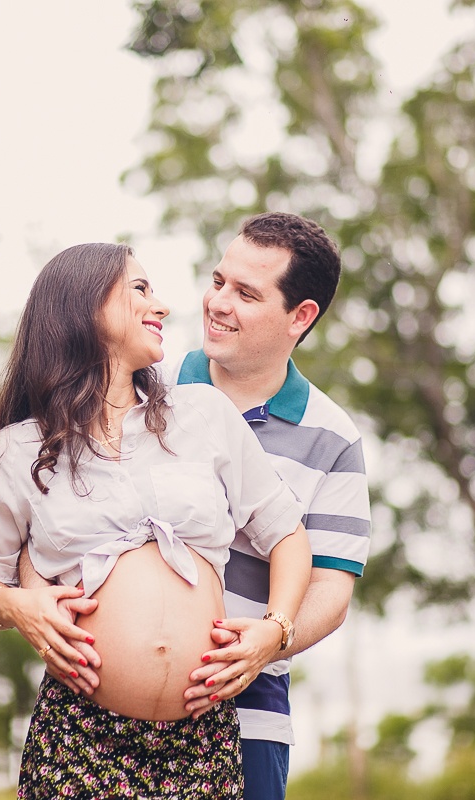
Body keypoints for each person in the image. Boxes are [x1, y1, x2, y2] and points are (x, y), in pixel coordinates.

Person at [0, 242, 314, 800]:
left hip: (201, 739)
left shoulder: (204, 414)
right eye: (141, 289)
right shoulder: (17, 450)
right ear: (84, 307)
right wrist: (18, 607)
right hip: (80, 737)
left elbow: (289, 539)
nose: (163, 306)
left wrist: (275, 631)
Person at [172, 212, 372, 800]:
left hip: (248, 713)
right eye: (217, 281)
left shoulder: (335, 438)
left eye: (246, 293)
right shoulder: (142, 384)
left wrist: (267, 640)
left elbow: (331, 593)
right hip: (107, 706)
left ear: (300, 316)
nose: (217, 303)